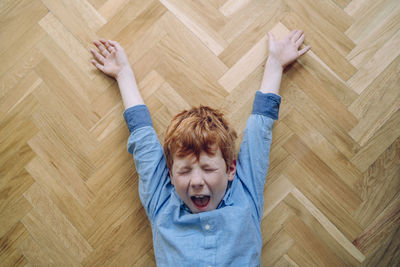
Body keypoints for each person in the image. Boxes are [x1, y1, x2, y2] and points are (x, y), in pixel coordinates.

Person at [90, 29, 310, 266]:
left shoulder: (245, 192)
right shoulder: (162, 202)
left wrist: (275, 65)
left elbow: (260, 130)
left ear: (230, 169)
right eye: (184, 171)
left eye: (207, 168)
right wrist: (123, 74)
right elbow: (142, 138)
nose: (196, 181)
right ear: (170, 175)